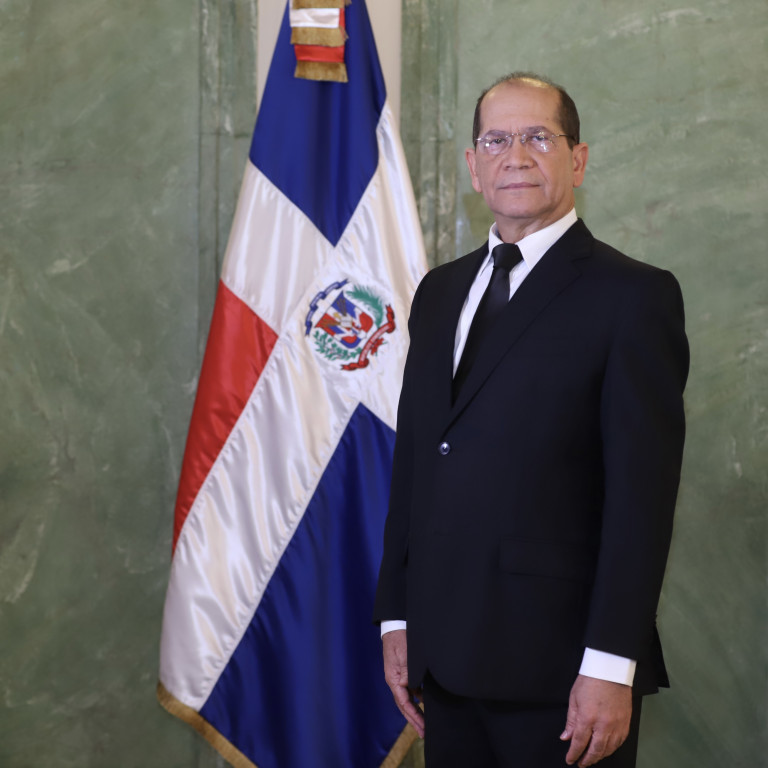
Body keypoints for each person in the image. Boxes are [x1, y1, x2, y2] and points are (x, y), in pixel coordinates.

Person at [373, 72, 689, 768]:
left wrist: (611, 665)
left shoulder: (633, 298)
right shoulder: (439, 293)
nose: (515, 155)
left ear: (578, 159)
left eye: (538, 137)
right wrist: (397, 615)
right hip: (443, 660)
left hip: (563, 674)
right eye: (496, 140)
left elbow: (641, 504)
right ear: (473, 166)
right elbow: (418, 460)